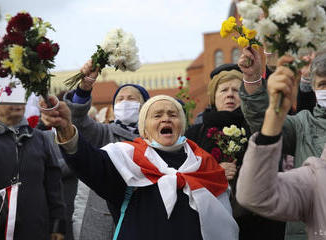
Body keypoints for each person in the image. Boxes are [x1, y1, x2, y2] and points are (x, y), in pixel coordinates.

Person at [40, 94, 239, 240]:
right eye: (157, 115)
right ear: (144, 128)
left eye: (173, 114)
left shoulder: (205, 164)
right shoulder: (126, 159)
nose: (166, 118)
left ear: (182, 124)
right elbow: (89, 163)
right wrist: (65, 129)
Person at [42, 59, 150, 240]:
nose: (125, 102)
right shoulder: (105, 133)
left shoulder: (154, 139)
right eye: (120, 99)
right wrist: (84, 89)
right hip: (102, 220)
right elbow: (78, 121)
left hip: (144, 214)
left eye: (131, 98)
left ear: (144, 106)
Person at [185, 67, 285, 239]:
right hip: (210, 223)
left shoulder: (258, 128)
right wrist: (214, 173)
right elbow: (182, 176)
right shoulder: (194, 134)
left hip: (259, 222)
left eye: (237, 90)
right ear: (213, 97)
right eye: (223, 90)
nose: (230, 95)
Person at [238, 47, 326, 239]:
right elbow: (264, 122)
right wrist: (253, 79)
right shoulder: (304, 125)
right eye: (323, 84)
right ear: (313, 88)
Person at [0, 103, 66, 240]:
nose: (16, 103)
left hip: (37, 230)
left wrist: (57, 225)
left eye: (20, 97)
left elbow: (54, 187)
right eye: (9, 97)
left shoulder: (40, 139)